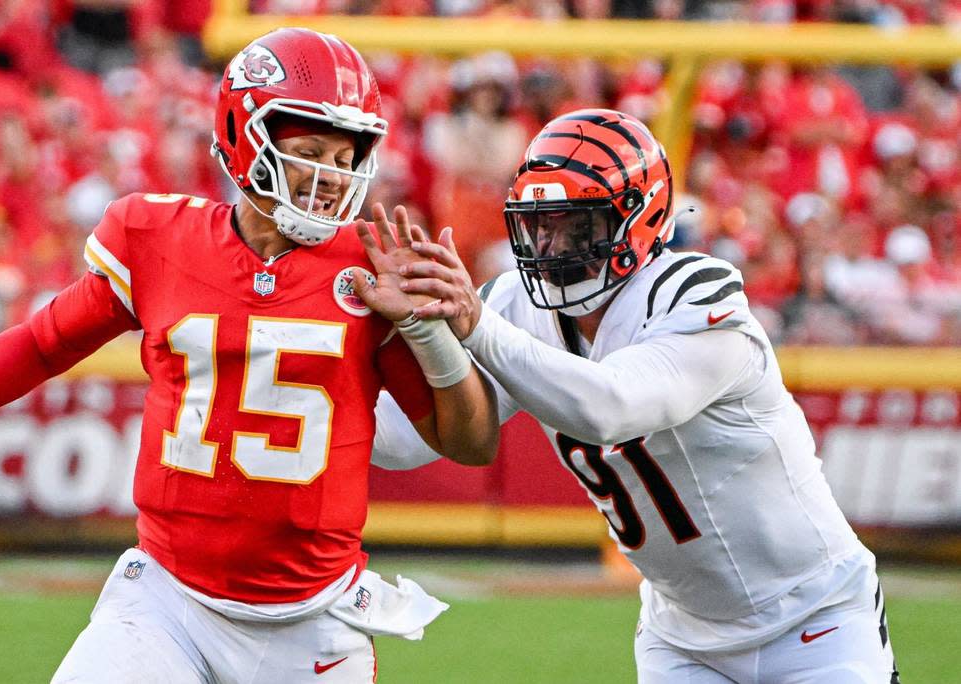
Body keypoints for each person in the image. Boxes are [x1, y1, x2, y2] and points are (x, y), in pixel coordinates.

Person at [0, 28, 499, 683]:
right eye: (310, 152)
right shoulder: (159, 238)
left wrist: (428, 333)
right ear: (245, 137)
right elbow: (47, 338)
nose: (329, 179)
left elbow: (472, 440)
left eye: (344, 159)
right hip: (168, 601)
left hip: (312, 622)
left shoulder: (371, 268)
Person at [372, 109, 899, 683]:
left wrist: (474, 326)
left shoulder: (695, 295)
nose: (552, 247)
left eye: (578, 226)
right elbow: (403, 441)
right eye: (541, 224)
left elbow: (611, 407)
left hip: (812, 619)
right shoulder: (517, 307)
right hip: (680, 636)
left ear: (639, 221)